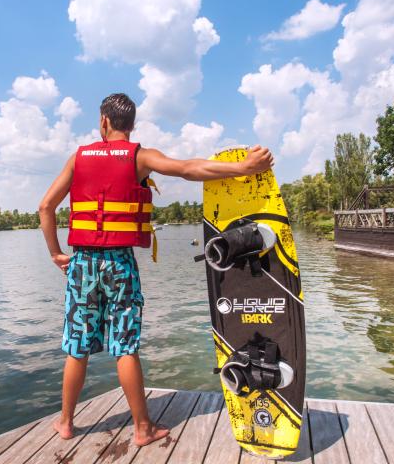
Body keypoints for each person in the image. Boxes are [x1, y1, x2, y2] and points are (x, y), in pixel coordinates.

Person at [38, 93, 273, 447]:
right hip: (119, 263)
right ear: (130, 125)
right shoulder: (140, 157)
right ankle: (142, 428)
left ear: (103, 121)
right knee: (125, 347)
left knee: (78, 346)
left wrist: (56, 254)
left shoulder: (78, 158)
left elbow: (45, 207)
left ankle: (67, 423)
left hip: (82, 261)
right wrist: (243, 169)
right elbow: (189, 168)